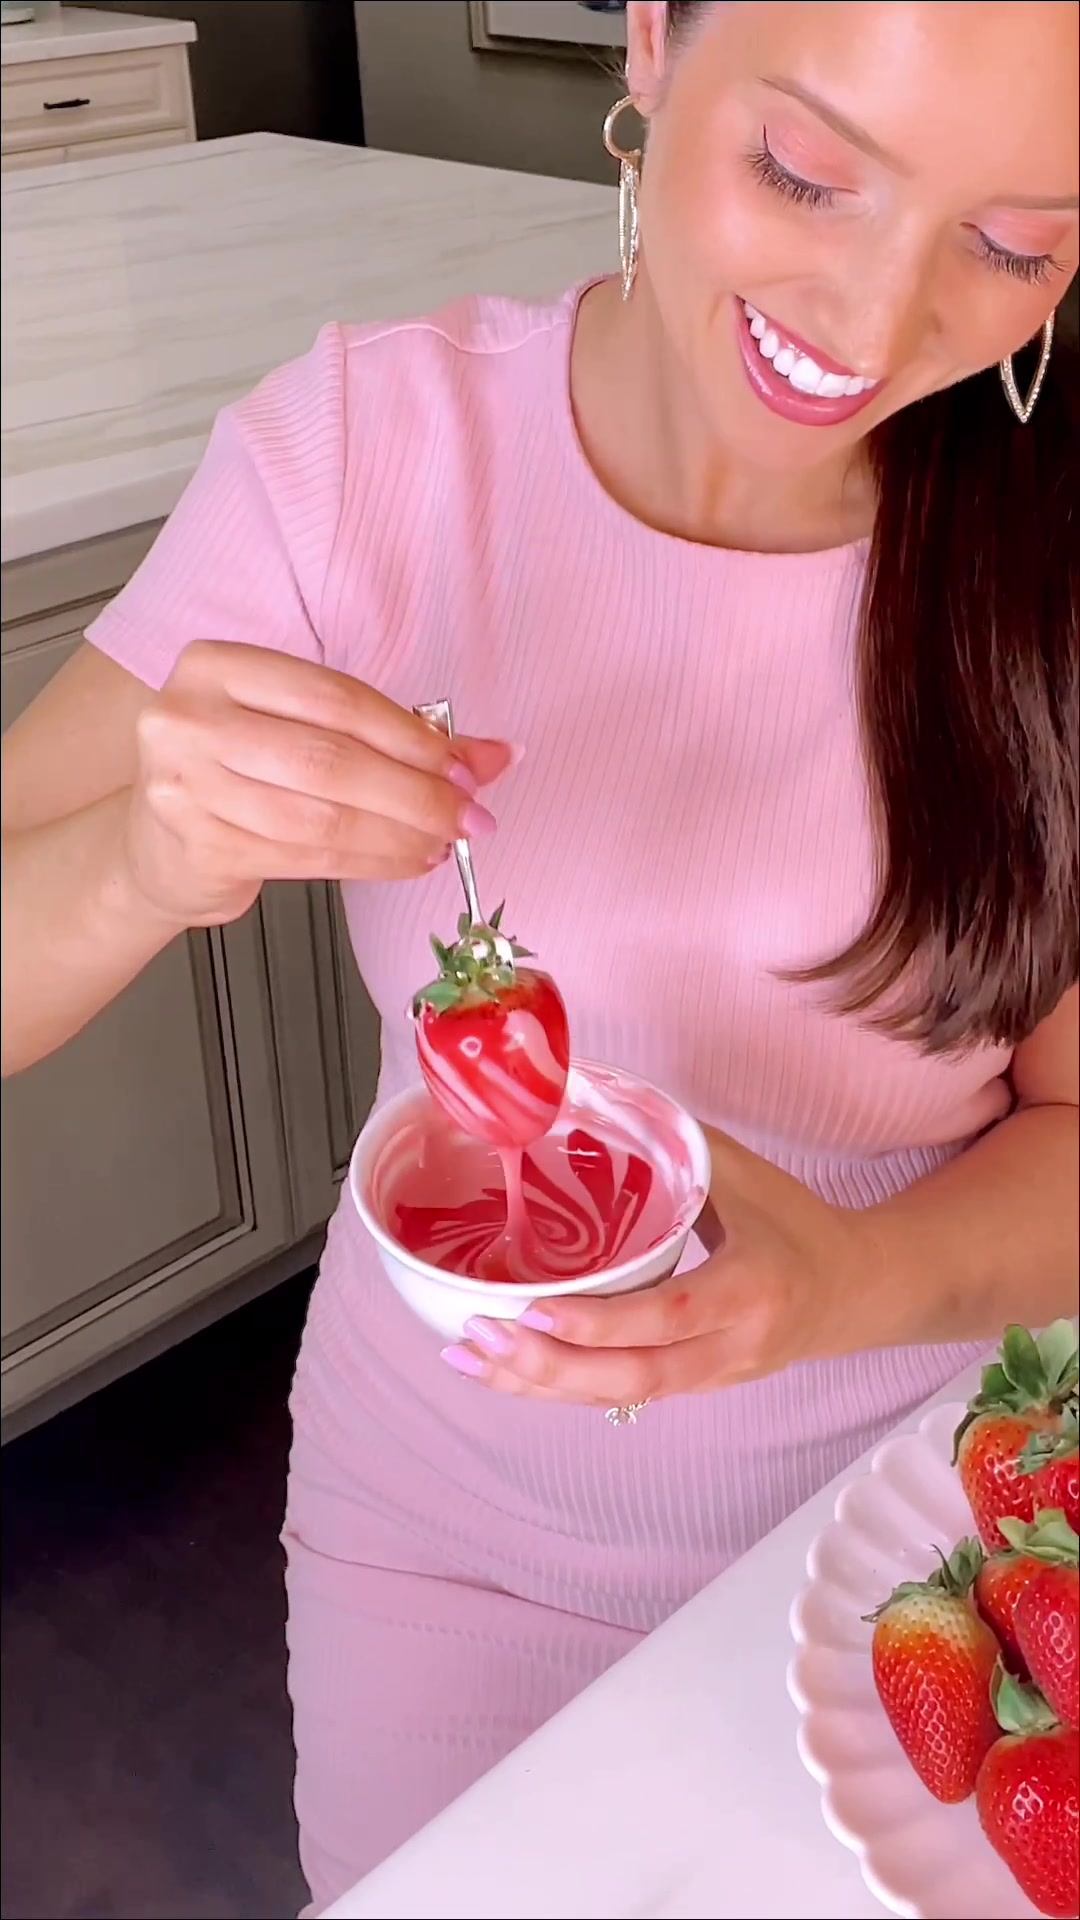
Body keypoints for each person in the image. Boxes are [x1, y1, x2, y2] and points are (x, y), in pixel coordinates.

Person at [3, 1, 1077, 1908]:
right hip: (450, 1537)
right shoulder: (368, 454)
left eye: (1011, 245)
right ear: (652, 39)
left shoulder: (1051, 562)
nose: (874, 315)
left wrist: (844, 1284)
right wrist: (150, 850)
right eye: (806, 173)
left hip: (913, 1523)